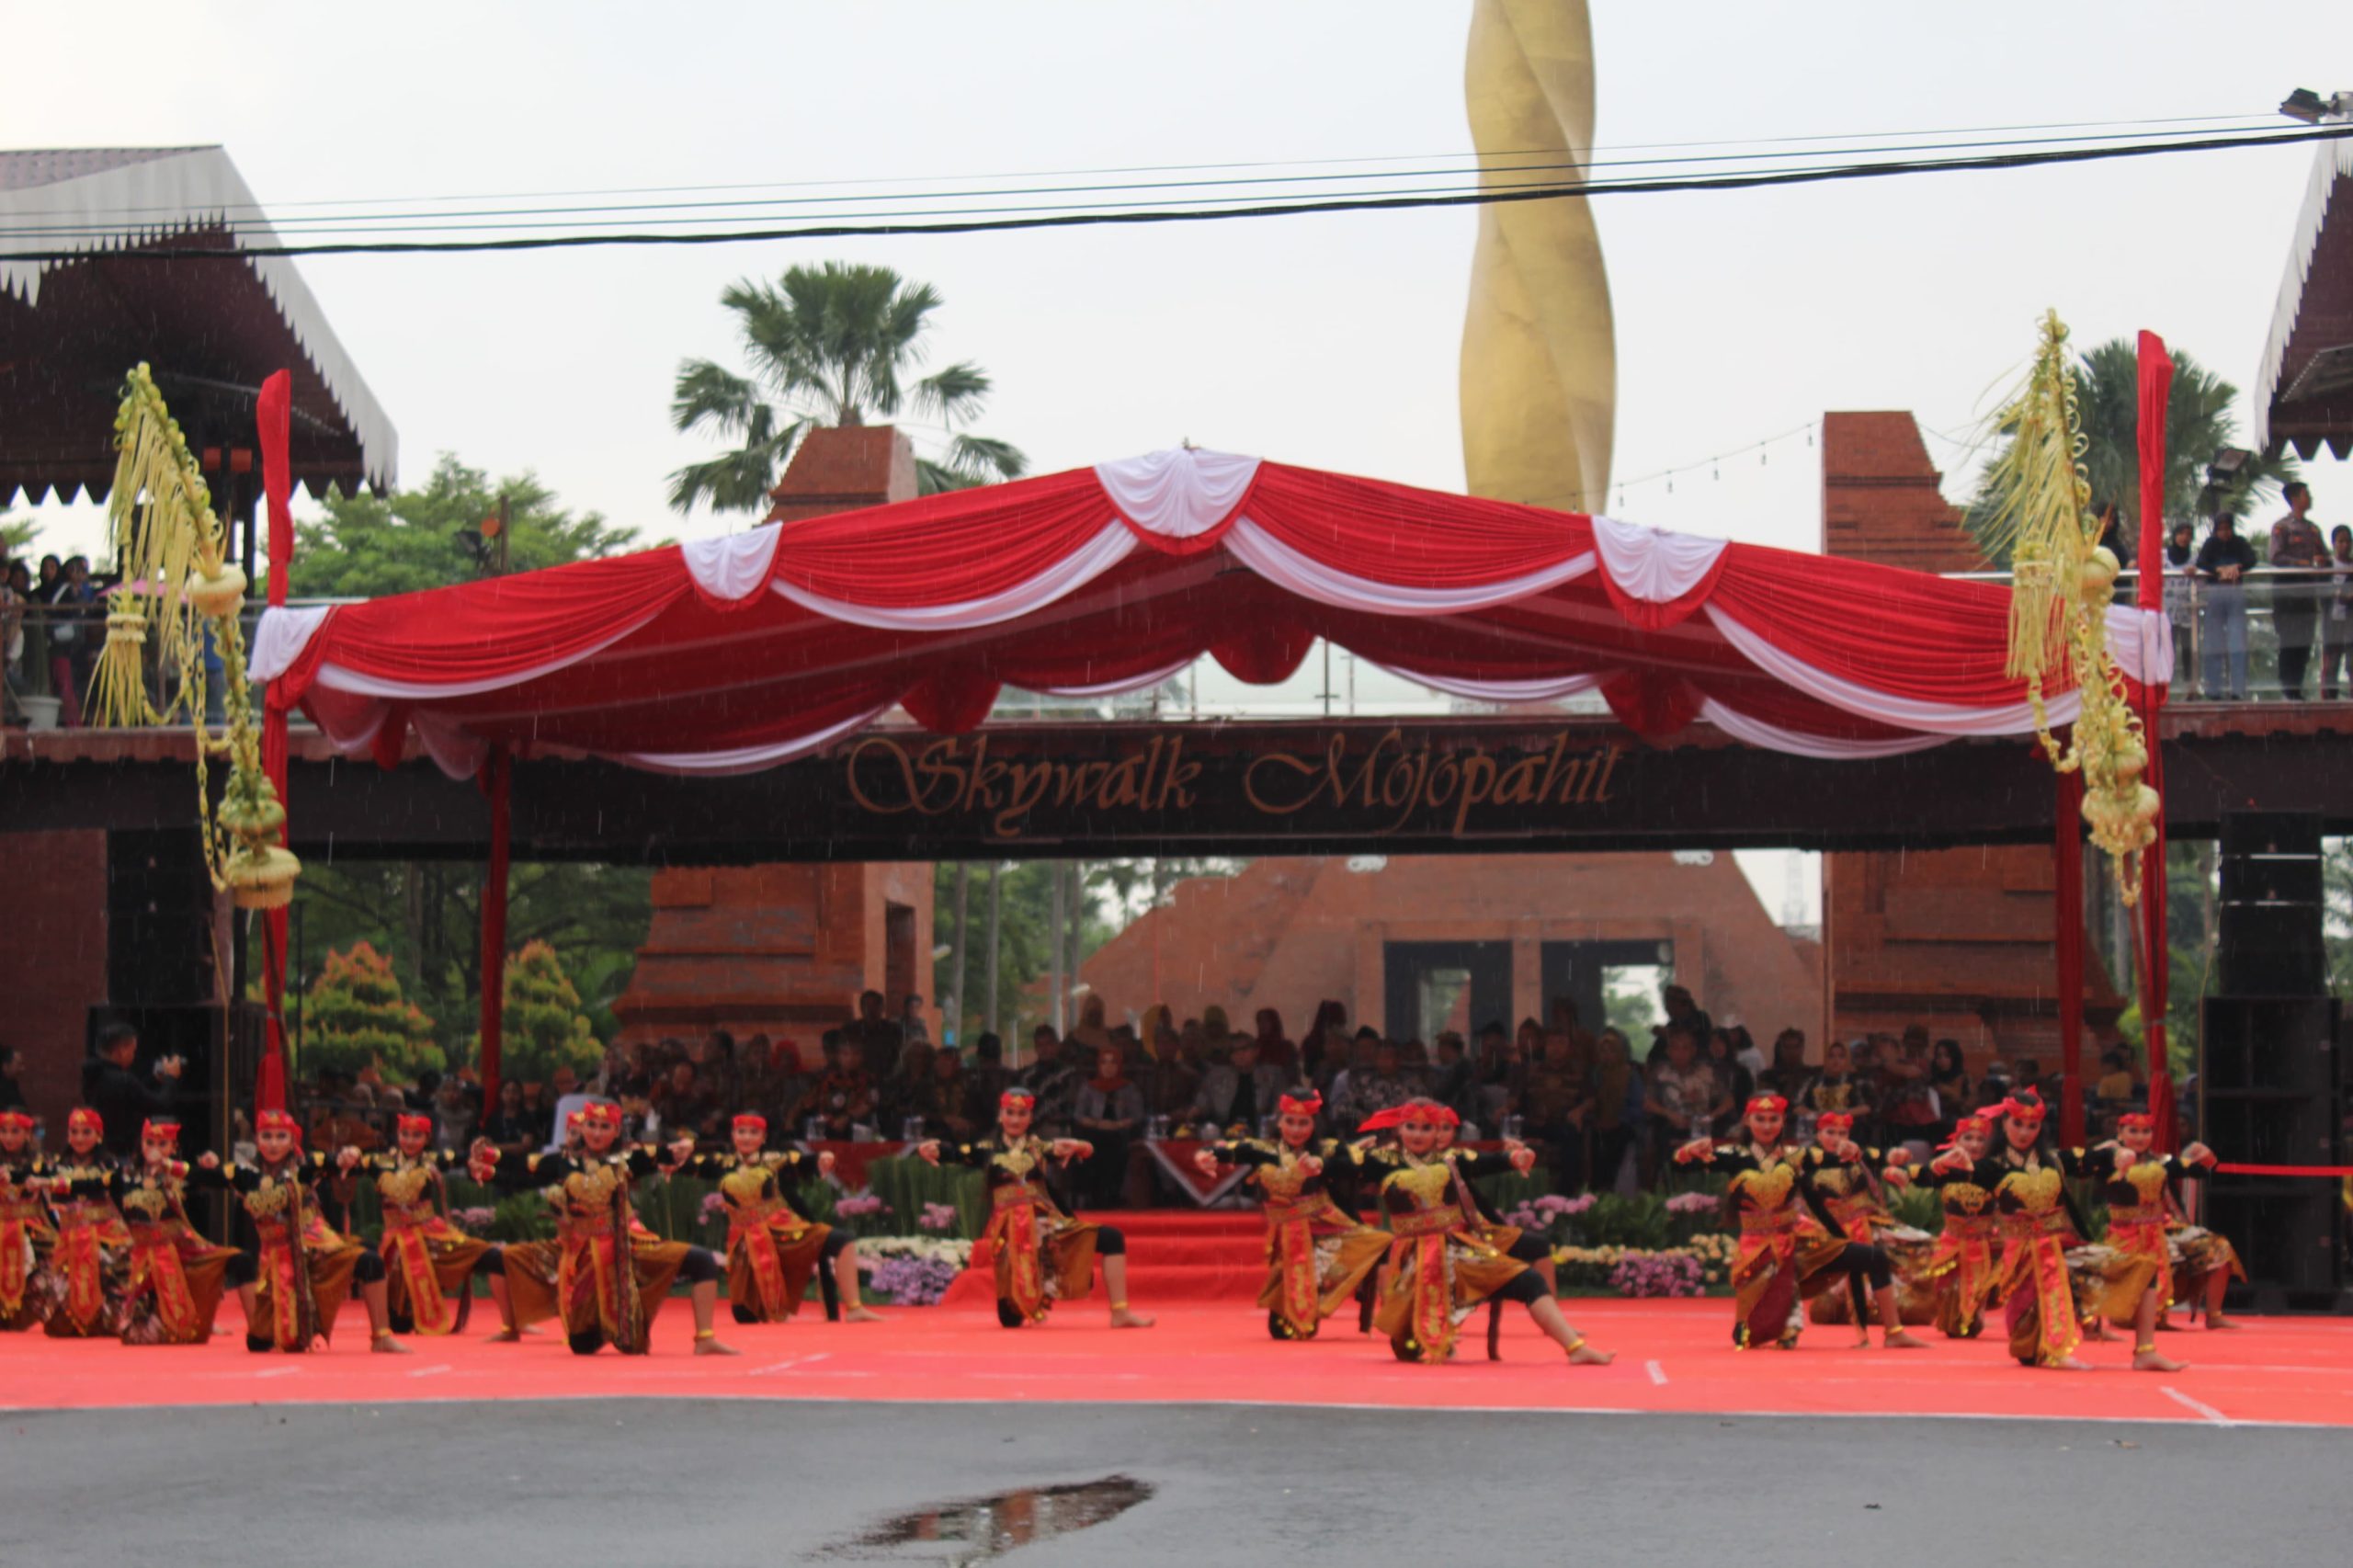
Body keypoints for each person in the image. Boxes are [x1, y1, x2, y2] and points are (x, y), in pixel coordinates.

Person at [1348, 1098, 1613, 1367]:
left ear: (1437, 1131)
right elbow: (1338, 1165)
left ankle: (1575, 1348)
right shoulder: (1381, 1161)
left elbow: (1488, 1161)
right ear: (1398, 1129)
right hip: (1414, 1262)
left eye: (1426, 1128)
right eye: (1411, 1127)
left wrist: (1516, 1158)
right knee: (1407, 1347)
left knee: (1530, 1280)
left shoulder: (1452, 1160)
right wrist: (1344, 1154)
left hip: (1457, 1252)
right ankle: (1435, 1335)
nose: (1418, 1134)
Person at [468, 1100, 738, 1356]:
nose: (597, 1133)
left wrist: (686, 1146)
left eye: (605, 1127)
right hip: (584, 1255)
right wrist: (487, 1156)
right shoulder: (563, 1162)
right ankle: (608, 1325)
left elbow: (667, 1154)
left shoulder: (627, 1160)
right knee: (581, 1344)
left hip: (626, 1245)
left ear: (616, 1131)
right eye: (592, 1125)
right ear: (583, 1127)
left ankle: (704, 1338)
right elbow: (521, 1167)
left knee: (702, 1261)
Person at [1942, 1094, 2182, 1371]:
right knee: (2030, 1344)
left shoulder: (2054, 1160)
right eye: (2018, 1124)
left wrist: (2117, 1153)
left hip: (2062, 1248)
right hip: (2024, 1257)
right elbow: (1931, 1176)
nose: (2024, 1132)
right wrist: (1938, 1165)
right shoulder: (1990, 1166)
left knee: (2145, 1269)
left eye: (2032, 1126)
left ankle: (2145, 1351)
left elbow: (2094, 1157)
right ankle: (2052, 1346)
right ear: (2004, 1123)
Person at [1673, 1094, 1930, 1351]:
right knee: (1747, 1335)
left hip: (1798, 1242)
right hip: (1759, 1251)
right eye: (1760, 1119)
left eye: (1773, 1119)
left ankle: (1894, 1332)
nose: (1767, 1126)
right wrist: (1686, 1152)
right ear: (1747, 1121)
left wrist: (1863, 1153)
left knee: (1875, 1257)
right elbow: (1682, 1166)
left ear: (1783, 1121)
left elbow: (1843, 1157)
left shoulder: (1796, 1155)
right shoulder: (1732, 1155)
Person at [917, 1087, 1154, 1330]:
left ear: (1030, 1118)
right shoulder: (985, 1148)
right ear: (1000, 1115)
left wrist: (1079, 1145)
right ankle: (1031, 1288)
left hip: (1045, 1226)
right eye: (1010, 1113)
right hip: (1010, 1234)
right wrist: (933, 1149)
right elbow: (954, 1152)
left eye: (1022, 1114)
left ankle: (1120, 1312)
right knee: (1010, 1319)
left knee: (1112, 1238)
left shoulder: (1039, 1147)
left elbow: (1083, 1149)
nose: (1015, 1120)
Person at [188, 1109, 407, 1354]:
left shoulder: (305, 1168)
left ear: (293, 1140)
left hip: (314, 1248)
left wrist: (349, 1155)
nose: (273, 1144)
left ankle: (381, 1336)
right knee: (259, 1343)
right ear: (257, 1140)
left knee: (370, 1262)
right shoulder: (245, 1175)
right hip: (275, 1262)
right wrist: (195, 1162)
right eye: (267, 1136)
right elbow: (196, 1175)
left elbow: (334, 1162)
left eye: (281, 1136)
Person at [1192, 1090, 1387, 1340]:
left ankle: (1381, 1309)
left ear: (1314, 1124)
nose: (1296, 1129)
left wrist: (1322, 1165)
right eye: (1290, 1122)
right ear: (1279, 1122)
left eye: (1303, 1123)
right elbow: (1228, 1149)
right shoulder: (1265, 1149)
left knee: (1379, 1242)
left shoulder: (1326, 1149)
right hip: (1286, 1229)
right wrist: (1204, 1155)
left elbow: (1349, 1163)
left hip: (1326, 1223)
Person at [673, 1114, 881, 1324]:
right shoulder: (721, 1163)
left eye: (754, 1133)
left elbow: (806, 1161)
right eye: (741, 1132)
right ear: (733, 1135)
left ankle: (855, 1308)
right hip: (745, 1241)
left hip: (782, 1229)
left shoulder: (776, 1160)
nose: (747, 1137)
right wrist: (683, 1150)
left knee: (842, 1240)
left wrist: (824, 1157)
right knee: (744, 1315)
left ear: (763, 1138)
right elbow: (682, 1165)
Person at [343, 1112, 517, 1338]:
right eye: (405, 1134)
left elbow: (464, 1158)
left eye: (417, 1136)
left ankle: (512, 1324)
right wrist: (350, 1153)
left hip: (433, 1234)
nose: (409, 1140)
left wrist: (477, 1156)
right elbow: (346, 1164)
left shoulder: (433, 1160)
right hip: (396, 1243)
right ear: (397, 1134)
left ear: (427, 1138)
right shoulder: (380, 1162)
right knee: (399, 1323)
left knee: (493, 1257)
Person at [2092, 1111, 2242, 1332]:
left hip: (2161, 1229)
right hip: (2123, 1233)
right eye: (2133, 1131)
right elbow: (2083, 1165)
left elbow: (2202, 1170)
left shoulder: (2162, 1161)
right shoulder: (2108, 1159)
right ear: (2120, 1133)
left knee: (2219, 1247)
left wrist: (2208, 1156)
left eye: (2146, 1131)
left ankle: (2214, 1315)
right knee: (2142, 1269)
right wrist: (2105, 1152)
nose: (2140, 1137)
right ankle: (2133, 1316)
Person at [101, 1119, 242, 1345]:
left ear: (173, 1148)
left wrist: (212, 1166)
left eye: (162, 1144)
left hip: (175, 1250)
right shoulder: (124, 1176)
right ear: (141, 1144)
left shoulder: (178, 1175)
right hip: (139, 1253)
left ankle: (200, 1321)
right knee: (134, 1333)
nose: (155, 1149)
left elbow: (220, 1180)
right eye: (149, 1142)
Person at [1797, 1113, 1935, 1338]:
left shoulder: (1857, 1156)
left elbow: (1882, 1158)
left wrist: (1894, 1160)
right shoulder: (1808, 1162)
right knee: (1827, 1306)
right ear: (1818, 1135)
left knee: (1921, 1245)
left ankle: (1890, 1321)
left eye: (1843, 1133)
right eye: (1830, 1133)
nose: (1837, 1138)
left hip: (1870, 1224)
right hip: (1832, 1232)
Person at [36, 1108, 129, 1338]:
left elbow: (113, 1194)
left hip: (103, 1235)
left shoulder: (110, 1166)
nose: (79, 1138)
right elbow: (50, 1203)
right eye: (74, 1132)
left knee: (110, 1276)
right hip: (69, 1235)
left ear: (99, 1135)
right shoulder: (56, 1165)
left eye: (86, 1132)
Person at [1913, 1114, 2002, 1340]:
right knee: (1946, 1295)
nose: (1974, 1144)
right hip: (1951, 1243)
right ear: (1957, 1141)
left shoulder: (1994, 1170)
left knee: (1973, 1309)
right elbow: (1919, 1177)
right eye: (1968, 1138)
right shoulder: (1945, 1170)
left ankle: (1977, 1311)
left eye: (1981, 1139)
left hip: (1984, 1244)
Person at [84, 1022, 182, 1158]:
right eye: (133, 1051)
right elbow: (160, 1105)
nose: (133, 1056)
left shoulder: (93, 1074)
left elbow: (130, 1094)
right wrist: (171, 1077)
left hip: (98, 1147)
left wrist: (153, 1080)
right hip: (120, 1151)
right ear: (121, 1051)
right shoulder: (122, 1080)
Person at [2268, 481, 2329, 699]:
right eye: (2305, 494)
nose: (2309, 497)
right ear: (2295, 499)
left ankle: (2298, 687)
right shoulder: (2282, 527)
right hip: (2287, 593)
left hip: (2307, 593)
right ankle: (2288, 689)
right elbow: (2276, 557)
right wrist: (2302, 564)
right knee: (2288, 641)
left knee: (2305, 641)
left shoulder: (2313, 529)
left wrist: (2322, 561)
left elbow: (2324, 556)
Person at [0, 1108, 55, 1331]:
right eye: (3, 1131)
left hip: (33, 1232)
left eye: (15, 1131)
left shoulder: (41, 1164)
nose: (8, 1137)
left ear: (28, 1134)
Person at [2193, 513, 2257, 700]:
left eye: (2227, 529)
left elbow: (2251, 559)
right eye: (2221, 529)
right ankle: (2213, 689)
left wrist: (2238, 567)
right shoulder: (2210, 544)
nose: (2224, 533)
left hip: (2235, 593)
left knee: (2237, 642)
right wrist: (2217, 570)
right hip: (2215, 594)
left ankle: (2238, 689)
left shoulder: (2240, 543)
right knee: (2213, 642)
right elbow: (2201, 562)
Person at [1586, 1028, 1643, 1193]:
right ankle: (1597, 1191)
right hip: (1599, 1124)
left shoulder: (1631, 1075)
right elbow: (1591, 1100)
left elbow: (1638, 1106)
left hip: (1625, 1124)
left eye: (1612, 1051)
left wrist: (1619, 1119)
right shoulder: (1596, 1074)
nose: (1607, 1055)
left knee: (1618, 1137)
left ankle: (1613, 1189)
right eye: (1603, 1051)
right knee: (1596, 1138)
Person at [45, 555, 98, 728]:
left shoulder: (84, 592)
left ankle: (79, 722)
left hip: (77, 648)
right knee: (65, 686)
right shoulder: (63, 589)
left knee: (75, 686)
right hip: (61, 645)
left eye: (83, 571)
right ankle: (73, 724)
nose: (80, 574)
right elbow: (53, 608)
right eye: (76, 570)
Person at [1191, 1035, 1285, 1134]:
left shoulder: (1272, 1075)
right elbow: (1202, 1103)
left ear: (1256, 1051)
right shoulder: (1216, 1076)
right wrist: (1195, 1111)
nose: (1239, 1054)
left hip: (1262, 1132)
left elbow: (1281, 1102)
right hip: (1223, 1133)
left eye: (1244, 1049)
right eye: (1234, 1051)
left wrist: (1273, 1121)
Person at [1016, 1025, 1082, 1137]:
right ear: (1035, 1048)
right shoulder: (1026, 1075)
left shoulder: (1070, 1073)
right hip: (1030, 1130)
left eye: (1049, 1044)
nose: (1045, 1049)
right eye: (1040, 1045)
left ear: (1057, 1045)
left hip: (1061, 1129)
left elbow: (1077, 1106)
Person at [2320, 523, 2353, 700]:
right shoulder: (2326, 565)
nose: (2345, 545)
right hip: (2331, 620)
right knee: (2331, 662)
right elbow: (2318, 588)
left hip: (2350, 620)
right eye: (2341, 541)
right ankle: (2329, 701)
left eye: (2348, 541)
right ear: (2333, 543)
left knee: (2351, 661)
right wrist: (2336, 593)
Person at [841, 989, 904, 1083]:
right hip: (857, 1081)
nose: (871, 1010)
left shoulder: (893, 1030)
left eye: (875, 1005)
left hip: (887, 1080)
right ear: (861, 1008)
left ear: (882, 1008)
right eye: (867, 1006)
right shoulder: (850, 1030)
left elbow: (899, 1058)